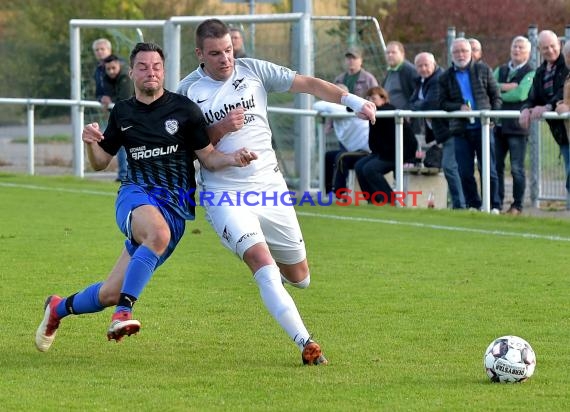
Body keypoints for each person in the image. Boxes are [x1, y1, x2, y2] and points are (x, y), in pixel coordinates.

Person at [177, 18, 377, 365]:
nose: (225, 59)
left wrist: (354, 101)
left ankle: (267, 261)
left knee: (300, 278)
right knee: (262, 262)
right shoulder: (186, 93)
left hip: (270, 188)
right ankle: (307, 344)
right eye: (215, 53)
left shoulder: (253, 70)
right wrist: (220, 130)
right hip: (224, 193)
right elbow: (190, 151)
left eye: (228, 50)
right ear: (199, 54)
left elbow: (309, 84)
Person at [35, 42, 256, 352]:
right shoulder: (123, 112)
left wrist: (233, 159)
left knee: (111, 291)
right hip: (135, 195)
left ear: (163, 72)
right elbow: (100, 162)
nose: (150, 72)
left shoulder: (185, 110)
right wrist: (90, 142)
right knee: (156, 234)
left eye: (156, 66)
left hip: (175, 210)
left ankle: (57, 308)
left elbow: (208, 157)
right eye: (143, 66)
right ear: (132, 72)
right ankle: (123, 313)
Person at [438, 37, 502, 213]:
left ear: (471, 52)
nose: (461, 55)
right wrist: (458, 107)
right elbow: (441, 103)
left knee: (488, 169)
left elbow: (496, 96)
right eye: (457, 51)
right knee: (465, 171)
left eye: (464, 51)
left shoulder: (483, 69)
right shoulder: (445, 77)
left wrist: (492, 120)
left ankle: (494, 205)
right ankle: (473, 204)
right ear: (451, 54)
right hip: (460, 130)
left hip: (483, 127)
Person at [520, 30, 570, 208]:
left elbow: (563, 94)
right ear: (539, 50)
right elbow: (532, 97)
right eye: (545, 48)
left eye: (552, 46)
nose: (550, 50)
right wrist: (526, 109)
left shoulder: (567, 65)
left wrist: (548, 106)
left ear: (560, 45)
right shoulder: (541, 72)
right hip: (562, 133)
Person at [354, 87, 418, 204]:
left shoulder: (388, 112)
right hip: (383, 153)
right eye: (368, 98)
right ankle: (372, 200)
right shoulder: (375, 113)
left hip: (398, 153)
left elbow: (399, 142)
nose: (370, 101)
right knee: (359, 166)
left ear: (383, 99)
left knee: (370, 169)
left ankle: (390, 200)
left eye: (373, 98)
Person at [494, 36, 535, 215]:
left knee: (517, 168)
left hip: (518, 128)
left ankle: (517, 205)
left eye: (521, 47)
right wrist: (507, 86)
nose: (517, 50)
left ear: (528, 52)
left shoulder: (531, 71)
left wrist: (500, 91)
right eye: (514, 46)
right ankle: (496, 203)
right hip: (499, 126)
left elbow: (520, 95)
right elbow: (490, 87)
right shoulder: (501, 69)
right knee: (496, 166)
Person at [314, 84, 370, 194]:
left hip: (366, 152)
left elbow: (320, 105)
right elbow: (316, 105)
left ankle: (340, 194)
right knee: (329, 156)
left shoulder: (346, 109)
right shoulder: (337, 110)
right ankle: (328, 191)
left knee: (341, 157)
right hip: (352, 150)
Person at [101, 54, 133, 182]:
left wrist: (109, 101)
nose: (111, 71)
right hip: (120, 116)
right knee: (120, 145)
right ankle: (123, 175)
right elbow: (107, 96)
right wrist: (104, 99)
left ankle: (125, 175)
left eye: (113, 68)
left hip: (133, 115)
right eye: (108, 69)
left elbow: (123, 100)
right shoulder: (106, 78)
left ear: (119, 65)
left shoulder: (125, 77)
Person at [409, 52, 444, 147]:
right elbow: (411, 102)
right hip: (433, 128)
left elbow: (430, 104)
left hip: (445, 128)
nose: (423, 69)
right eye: (419, 66)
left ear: (434, 64)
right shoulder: (421, 79)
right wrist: (420, 104)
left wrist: (418, 104)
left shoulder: (439, 79)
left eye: (426, 65)